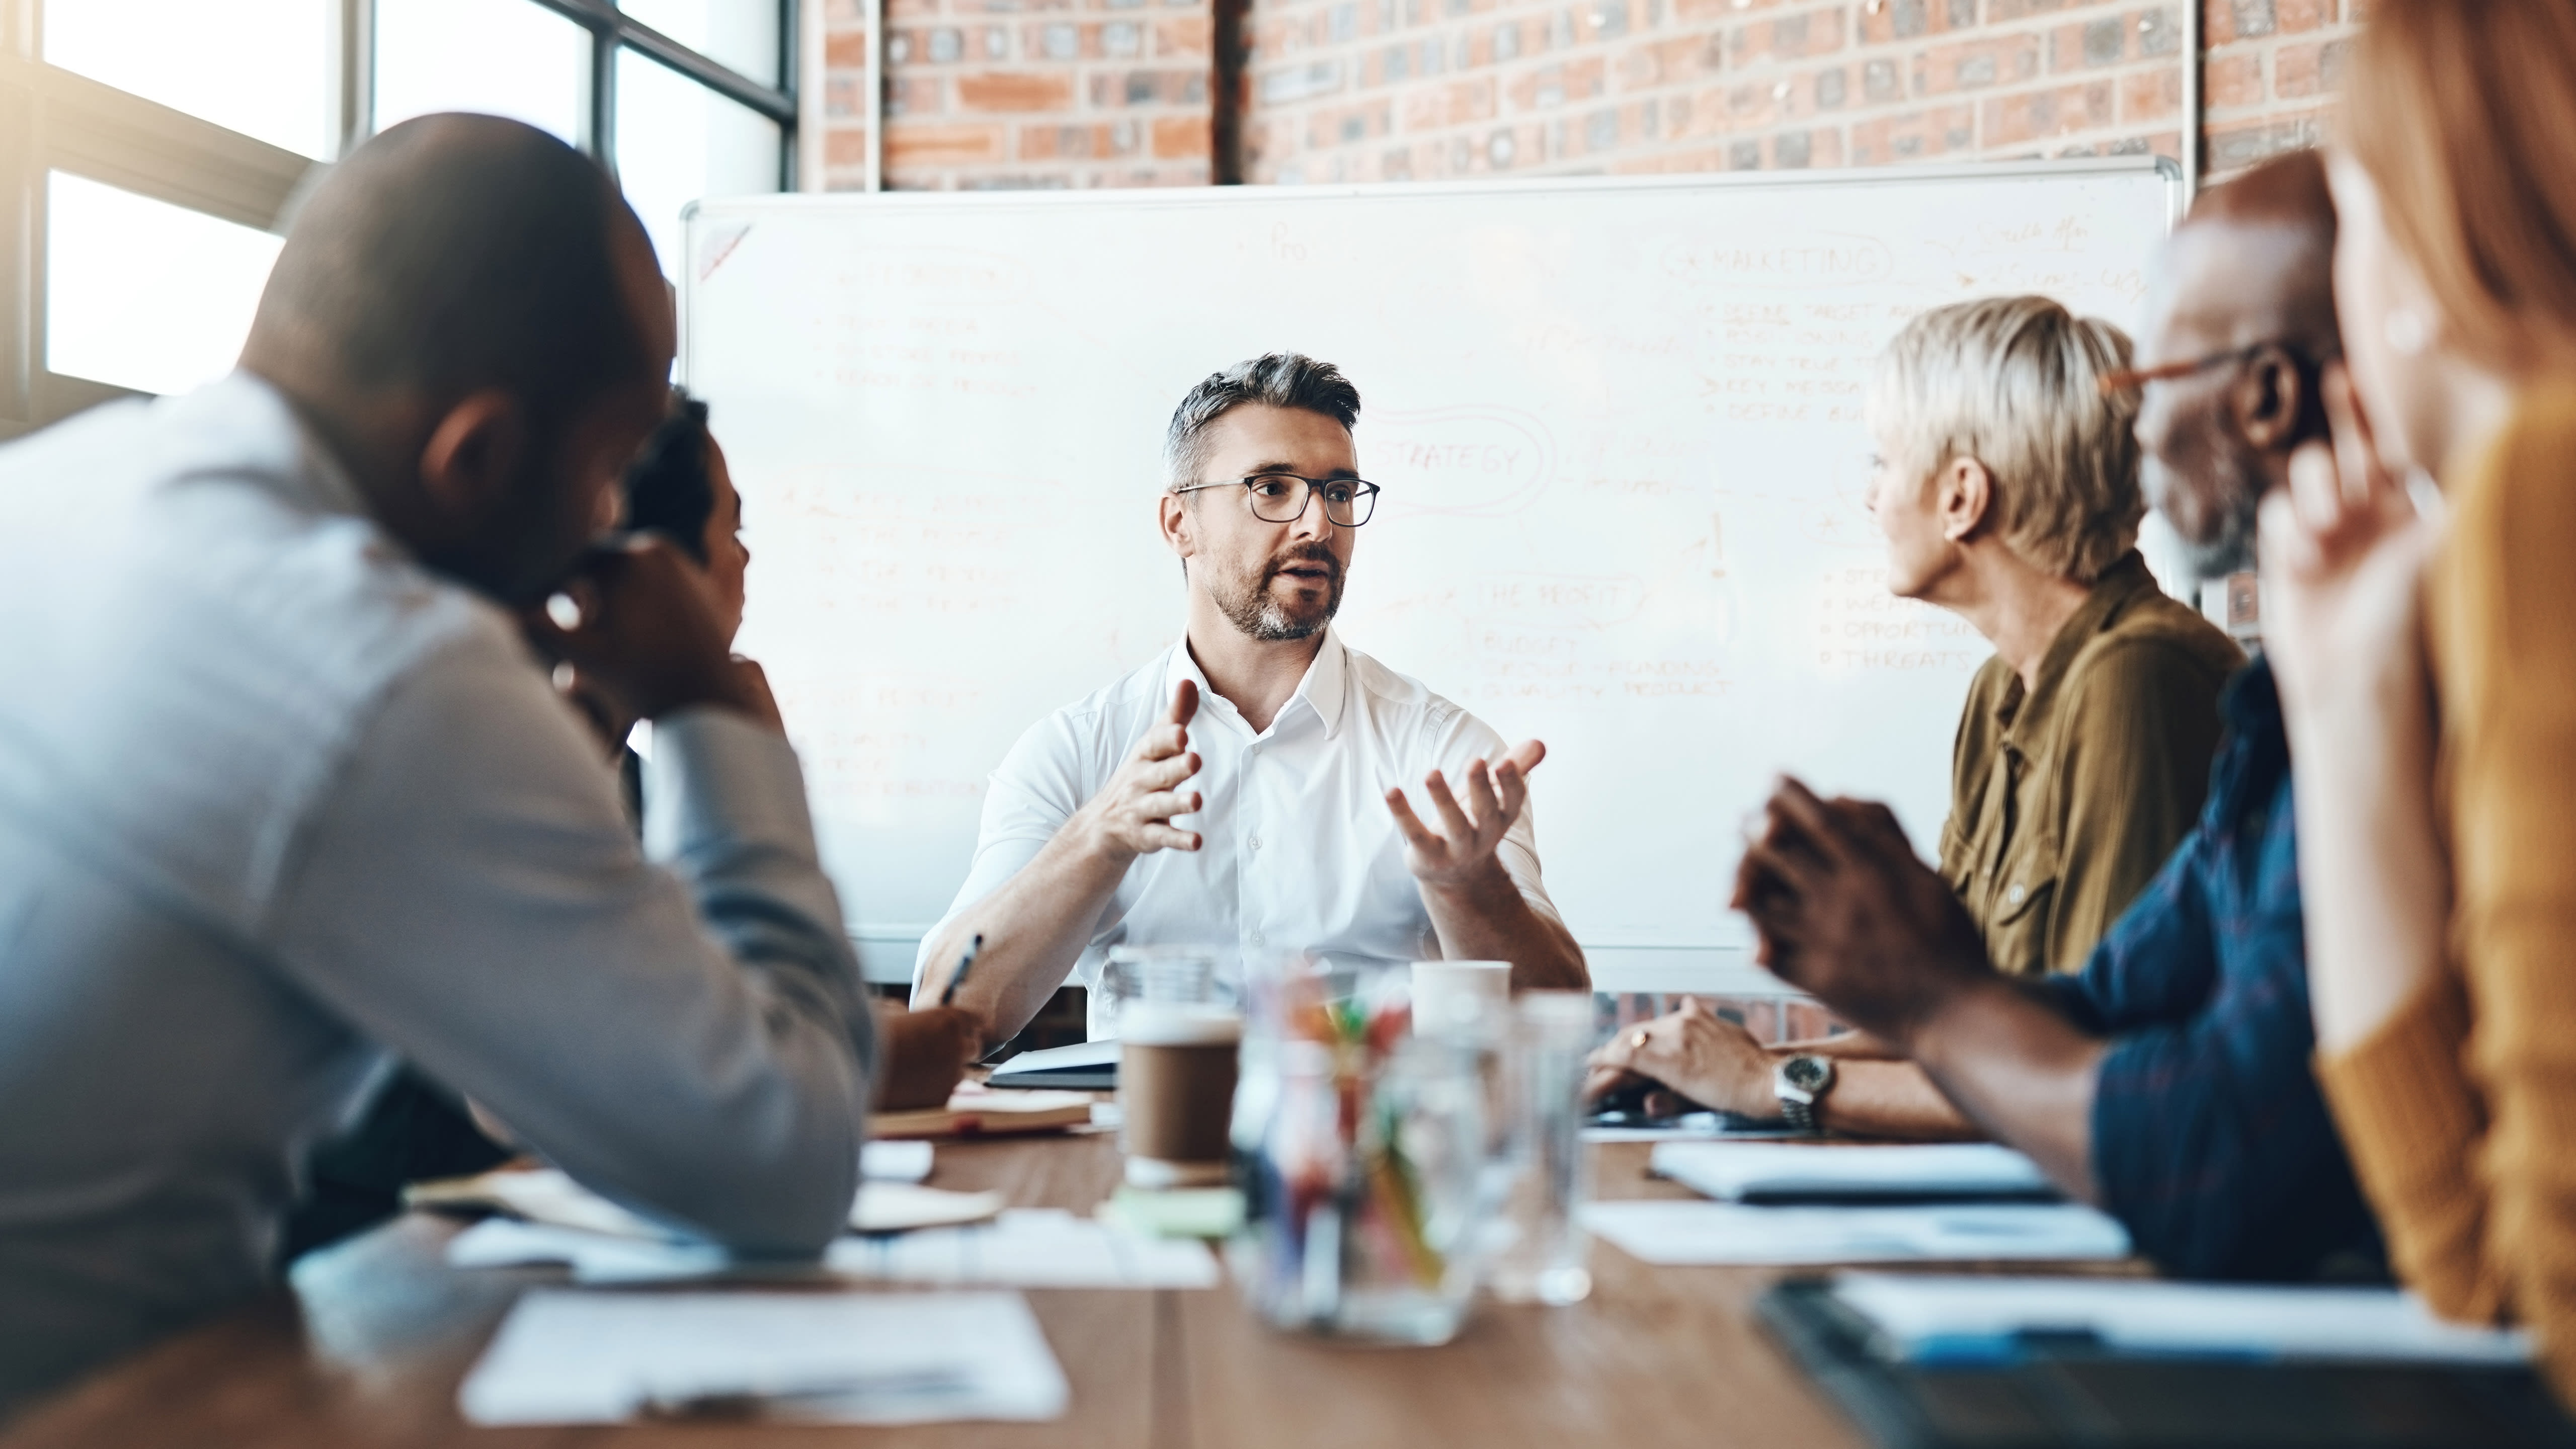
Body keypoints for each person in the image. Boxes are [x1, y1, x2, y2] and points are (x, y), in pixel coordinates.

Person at [0, 115, 963, 1418]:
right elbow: (779, 1168)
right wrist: (706, 714)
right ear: (479, 458)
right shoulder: (380, 664)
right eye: (615, 468)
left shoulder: (54, 489)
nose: (619, 524)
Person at [1704, 152, 2382, 1283]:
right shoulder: (2269, 700)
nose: (2138, 437)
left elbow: (2118, 1079)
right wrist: (1792, 1038)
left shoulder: (2152, 680)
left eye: (2155, 380)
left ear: (1963, 496)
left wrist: (1792, 1077)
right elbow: (2080, 999)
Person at [281, 389, 974, 1264]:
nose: (749, 558)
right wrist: (726, 730)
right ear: (656, 566)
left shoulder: (633, 780)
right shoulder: (475, 761)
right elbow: (669, 1099)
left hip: (548, 1243)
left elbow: (711, 1040)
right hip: (388, 1258)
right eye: (733, 528)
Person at [1590, 295, 2241, 1139]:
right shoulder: (1999, 691)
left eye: (1883, 463)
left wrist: (1774, 1082)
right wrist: (1714, 1068)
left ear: (1963, 496)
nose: (1870, 498)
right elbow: (1963, 1024)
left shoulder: (2136, 677)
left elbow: (2075, 1066)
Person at [915, 353, 1587, 1042]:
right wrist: (1099, 838)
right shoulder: (1077, 751)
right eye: (1271, 488)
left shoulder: (1444, 757)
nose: (1318, 527)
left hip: (1367, 1140)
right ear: (1180, 523)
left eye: (1338, 492)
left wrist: (1468, 888)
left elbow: (1557, 1017)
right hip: (1143, 1139)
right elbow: (952, 1014)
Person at [2256, 0, 2576, 1400]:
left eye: (2353, 218)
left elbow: (2524, 1289)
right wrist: (2343, 700)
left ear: (2426, 251)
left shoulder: (2544, 478)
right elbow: (2494, 1273)